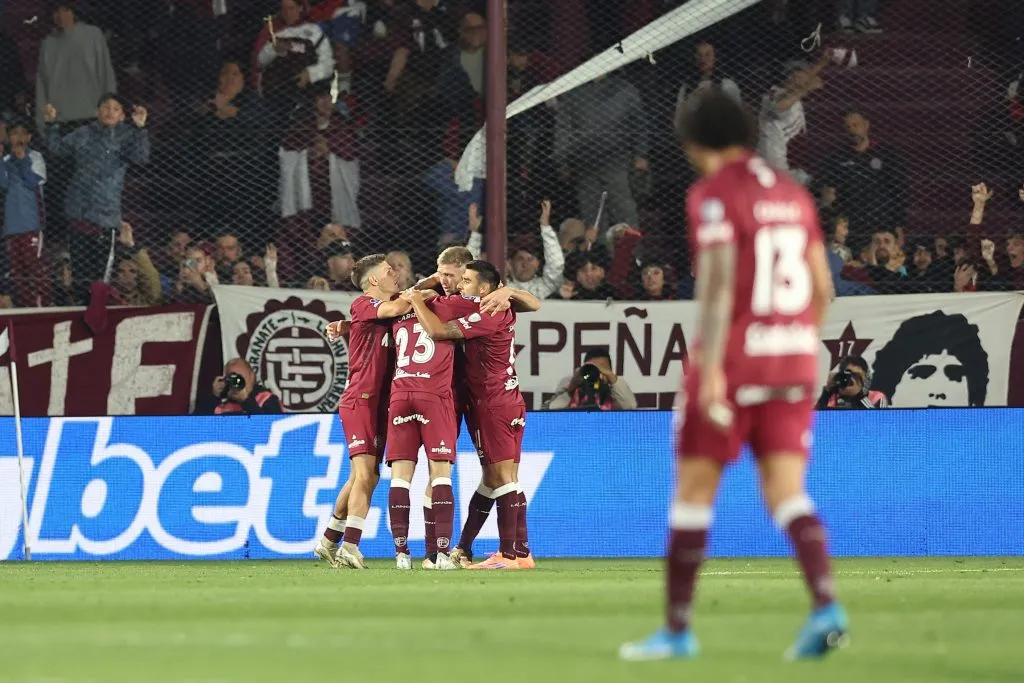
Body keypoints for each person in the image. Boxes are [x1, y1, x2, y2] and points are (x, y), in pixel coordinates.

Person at [620, 90, 846, 662]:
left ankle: (676, 630)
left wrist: (714, 367)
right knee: (787, 493)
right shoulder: (794, 194)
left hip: (735, 359)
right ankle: (826, 607)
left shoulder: (714, 194)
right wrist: (794, 345)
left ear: (693, 141)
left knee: (693, 494)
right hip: (793, 359)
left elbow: (717, 284)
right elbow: (823, 289)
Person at [409, 260, 540, 570]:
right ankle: (509, 551)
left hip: (491, 404)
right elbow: (532, 303)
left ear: (483, 288)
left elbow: (439, 331)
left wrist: (415, 299)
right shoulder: (500, 304)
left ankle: (508, 556)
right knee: (495, 479)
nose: (461, 286)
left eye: (466, 280)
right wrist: (507, 290)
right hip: (508, 398)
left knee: (501, 479)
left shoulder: (487, 311)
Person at [314, 254, 409, 570]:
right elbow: (395, 308)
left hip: (380, 404)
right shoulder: (363, 303)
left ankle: (329, 541)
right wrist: (431, 286)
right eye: (387, 271)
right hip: (360, 401)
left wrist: (346, 328)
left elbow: (388, 315)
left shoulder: (379, 312)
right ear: (373, 281)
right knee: (365, 474)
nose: (394, 274)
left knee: (362, 475)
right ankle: (350, 547)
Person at [545, 347, 638, 411]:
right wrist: (571, 388)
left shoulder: (615, 394)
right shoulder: (573, 390)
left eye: (602, 369)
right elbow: (551, 411)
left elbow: (630, 407)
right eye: (593, 368)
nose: (597, 372)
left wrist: (612, 378)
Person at [194, 358, 283, 414]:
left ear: (252, 377)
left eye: (240, 378)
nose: (236, 382)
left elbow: (270, 429)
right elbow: (195, 427)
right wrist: (214, 396)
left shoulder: (266, 399)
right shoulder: (219, 402)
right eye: (232, 378)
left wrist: (246, 401)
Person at [815, 355, 888, 409]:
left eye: (856, 375)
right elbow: (813, 422)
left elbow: (880, 424)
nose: (852, 379)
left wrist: (859, 395)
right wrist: (827, 392)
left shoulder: (876, 397)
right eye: (849, 375)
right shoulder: (831, 398)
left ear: (865, 377)